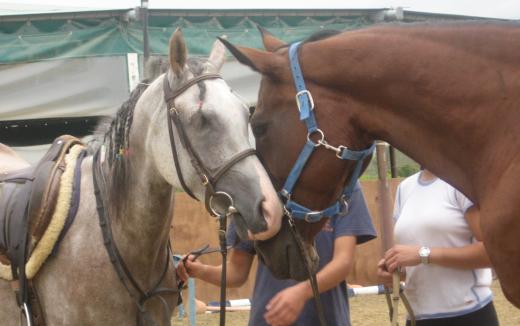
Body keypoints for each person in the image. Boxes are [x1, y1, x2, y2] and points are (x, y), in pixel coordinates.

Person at [177, 182, 376, 326]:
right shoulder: (255, 191)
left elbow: (342, 263)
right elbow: (236, 272)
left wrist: (301, 292)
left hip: (325, 319)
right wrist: (199, 270)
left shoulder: (343, 184)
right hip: (267, 320)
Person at [377, 169, 499, 326]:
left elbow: (492, 252)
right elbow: (413, 259)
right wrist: (395, 270)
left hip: (468, 316)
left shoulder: (462, 182)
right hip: (418, 318)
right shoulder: (405, 188)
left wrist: (424, 254)